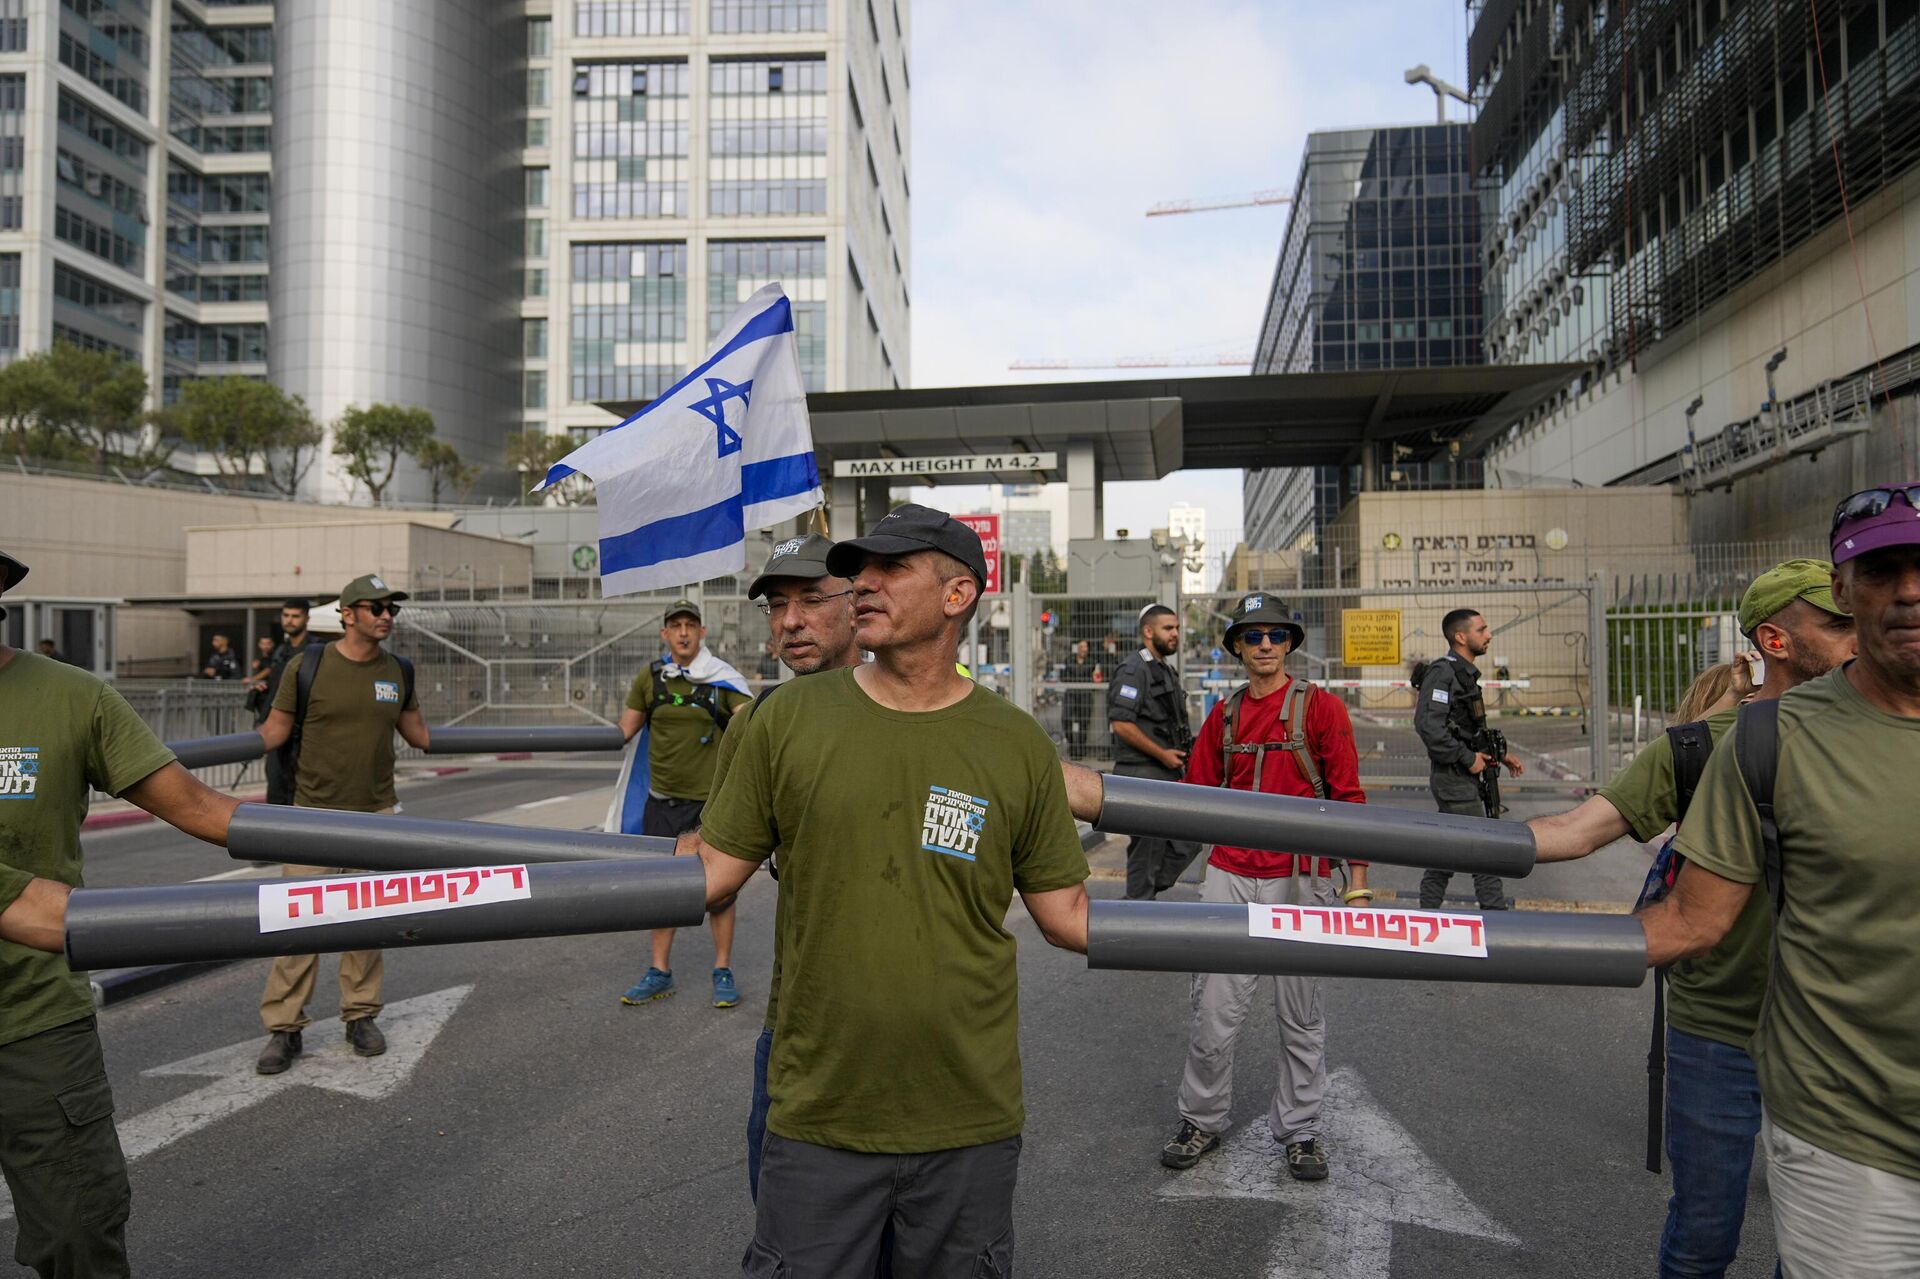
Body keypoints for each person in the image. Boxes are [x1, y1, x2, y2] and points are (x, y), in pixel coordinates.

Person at [690, 503, 1090, 1277]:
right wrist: (501, 892)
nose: (864, 583)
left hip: (967, 1115)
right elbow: (711, 874)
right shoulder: (787, 718)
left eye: (890, 567)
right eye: (859, 570)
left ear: (957, 595)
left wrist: (1251, 929)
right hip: (819, 1110)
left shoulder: (1014, 743)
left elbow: (1067, 914)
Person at [1527, 559, 1854, 1279]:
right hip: (1721, 1023)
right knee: (1705, 1231)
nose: (1859, 633)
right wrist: (1452, 839)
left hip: (1838, 1030)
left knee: (1825, 1248)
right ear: (1775, 640)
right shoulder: (1702, 745)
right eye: (1838, 623)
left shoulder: (1885, 735)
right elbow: (1578, 832)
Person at [1640, 494, 1920, 1278]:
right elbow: (1683, 914)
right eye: (1883, 571)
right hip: (1840, 1127)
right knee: (1705, 1233)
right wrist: (1479, 936)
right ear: (1845, 589)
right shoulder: (1759, 741)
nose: (1909, 590)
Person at [0, 548, 243, 1279]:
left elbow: (200, 807)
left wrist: (380, 849)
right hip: (49, 942)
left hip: (34, 1019)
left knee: (80, 1234)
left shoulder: (73, 696)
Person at [1159, 590, 1370, 1184]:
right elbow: (1195, 796)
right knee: (1212, 1012)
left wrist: (1357, 882)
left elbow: (1350, 796)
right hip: (1230, 874)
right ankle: (1201, 1119)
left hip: (1300, 878)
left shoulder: (1322, 708)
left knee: (1300, 1014)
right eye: (1253, 636)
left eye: (1276, 635)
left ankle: (1301, 1131)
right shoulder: (1223, 717)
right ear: (1237, 647)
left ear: (1290, 644)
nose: (1266, 645)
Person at [716, 534, 864, 1205]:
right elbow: (717, 857)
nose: (791, 621)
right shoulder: (759, 721)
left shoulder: (924, 707)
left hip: (922, 1028)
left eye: (810, 599)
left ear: (858, 603)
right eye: (777, 605)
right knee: (789, 1218)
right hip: (800, 1020)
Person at [252, 575, 430, 1074]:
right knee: (297, 925)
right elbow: (274, 731)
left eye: (391, 609)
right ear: (347, 615)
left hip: (376, 816)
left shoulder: (399, 670)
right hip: (312, 816)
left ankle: (361, 1015)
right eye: (375, 608)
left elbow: (418, 734)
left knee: (367, 924)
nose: (386, 616)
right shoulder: (308, 665)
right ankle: (285, 1027)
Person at [615, 599, 754, 1010]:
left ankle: (722, 969)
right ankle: (660, 971)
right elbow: (625, 729)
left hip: (710, 806)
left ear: (702, 632)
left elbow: (751, 723)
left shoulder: (721, 678)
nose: (683, 632)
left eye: (690, 625)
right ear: (664, 634)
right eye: (675, 626)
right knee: (663, 892)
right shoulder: (650, 678)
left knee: (722, 893)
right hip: (661, 803)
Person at [1414, 608, 1525, 910]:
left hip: (1465, 777)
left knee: (1446, 853)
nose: (1489, 635)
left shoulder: (1463, 674)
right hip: (1455, 778)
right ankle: (1496, 918)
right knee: (1483, 851)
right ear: (1461, 637)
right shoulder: (1443, 673)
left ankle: (1428, 914)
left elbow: (1467, 730)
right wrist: (1466, 758)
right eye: (1482, 630)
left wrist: (1500, 756)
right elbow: (1429, 726)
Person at [1107, 604, 1201, 899]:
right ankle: (1136, 907)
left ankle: (1140, 898)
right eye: (1168, 628)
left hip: (1166, 773)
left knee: (1189, 839)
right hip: (1142, 773)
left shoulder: (1163, 668)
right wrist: (1162, 754)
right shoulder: (1134, 669)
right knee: (1147, 851)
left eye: (1177, 628)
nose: (1175, 634)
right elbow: (1121, 723)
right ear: (1148, 631)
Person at [258, 600, 312, 806]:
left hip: (305, 734)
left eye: (295, 616)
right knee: (276, 791)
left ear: (306, 618)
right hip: (278, 732)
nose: (289, 620)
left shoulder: (316, 651)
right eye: (286, 615)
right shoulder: (281, 651)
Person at [1060, 639, 1098, 759]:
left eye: (1085, 647)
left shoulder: (1092, 662)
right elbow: (1063, 677)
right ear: (1077, 648)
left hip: (1085, 694)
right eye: (1081, 647)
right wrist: (1082, 680)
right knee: (1066, 719)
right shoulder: (1069, 660)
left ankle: (1081, 748)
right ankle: (1072, 745)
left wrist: (1077, 679)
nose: (1083, 649)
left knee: (1084, 722)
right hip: (1071, 694)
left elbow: (1095, 679)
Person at [244, 634, 277, 720]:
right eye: (263, 643)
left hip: (270, 693)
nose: (265, 646)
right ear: (259, 645)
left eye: (268, 643)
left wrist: (252, 679)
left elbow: (268, 670)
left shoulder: (274, 657)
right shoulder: (261, 659)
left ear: (272, 644)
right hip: (261, 693)